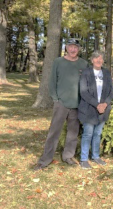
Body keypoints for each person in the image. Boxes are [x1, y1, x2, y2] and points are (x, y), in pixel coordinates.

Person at [34, 39, 88, 171]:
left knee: (73, 133)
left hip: (77, 104)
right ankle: (45, 160)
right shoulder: (58, 62)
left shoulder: (84, 64)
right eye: (70, 46)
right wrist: (56, 99)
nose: (73, 49)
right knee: (54, 132)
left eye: (76, 47)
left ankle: (68, 156)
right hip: (61, 104)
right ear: (66, 48)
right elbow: (52, 81)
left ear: (79, 49)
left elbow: (87, 83)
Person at [78, 51, 113, 169]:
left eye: (101, 59)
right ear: (92, 60)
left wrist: (105, 104)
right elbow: (83, 92)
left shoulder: (107, 73)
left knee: (97, 134)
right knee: (88, 134)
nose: (98, 60)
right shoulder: (86, 72)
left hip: (103, 110)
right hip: (89, 109)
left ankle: (95, 156)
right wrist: (97, 104)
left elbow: (111, 91)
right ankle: (84, 159)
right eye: (96, 58)